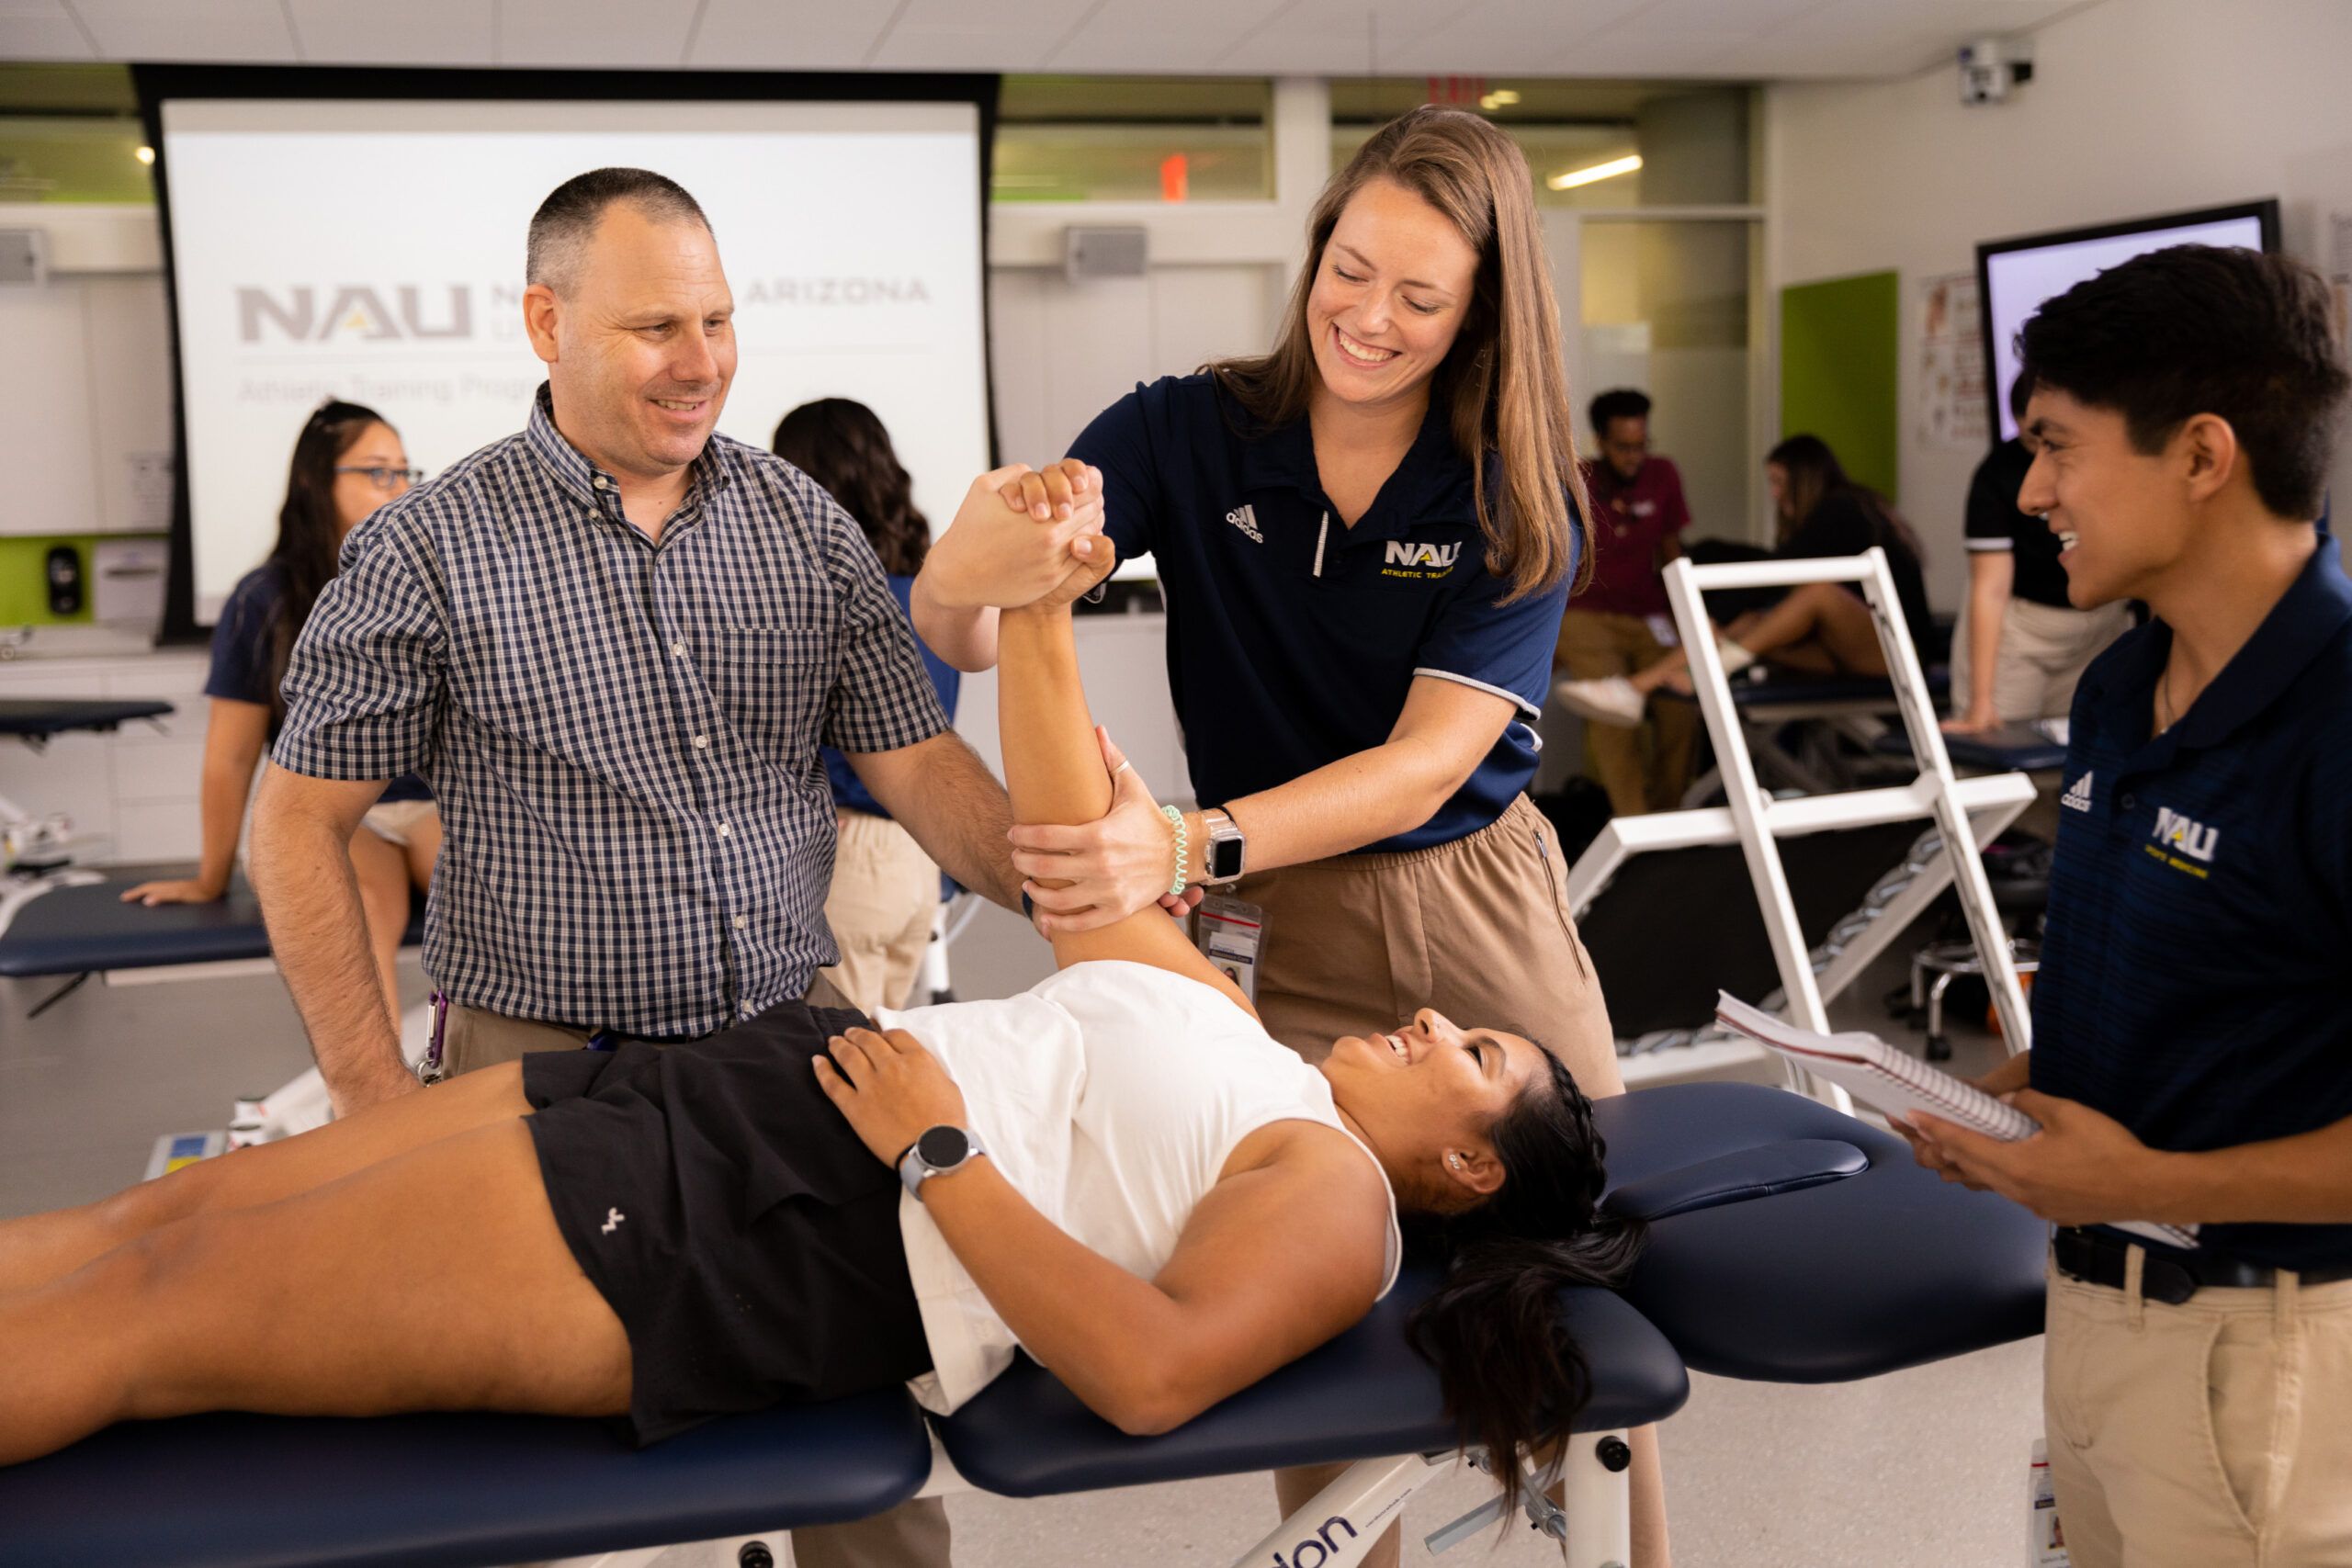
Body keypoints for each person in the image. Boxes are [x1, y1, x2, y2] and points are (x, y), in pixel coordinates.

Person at [0, 536, 1644, 1561]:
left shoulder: (1341, 1198)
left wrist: (945, 1151)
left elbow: (1146, 1372)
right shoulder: (1241, 1036)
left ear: (1468, 1164)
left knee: (165, 1317)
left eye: (1475, 1053)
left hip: (786, 1230)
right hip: (727, 1091)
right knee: (168, 1224)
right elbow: (1074, 846)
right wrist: (1047, 609)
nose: (1438, 1020)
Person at [242, 169, 1144, 1568]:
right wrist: (371, 1106)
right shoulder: (429, 547)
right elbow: (295, 824)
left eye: (719, 318)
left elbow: (918, 769)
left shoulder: (801, 524)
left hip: (788, 1054)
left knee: (866, 1477)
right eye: (657, 324)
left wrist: (1076, 884)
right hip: (535, 1060)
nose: (703, 360)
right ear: (547, 323)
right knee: (521, 1468)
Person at [910, 106, 1668, 1568]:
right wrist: (991, 549)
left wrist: (1181, 845)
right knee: (1300, 1303)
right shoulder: (1190, 427)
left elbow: (1418, 764)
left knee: (1575, 1289)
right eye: (1352, 269)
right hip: (1272, 913)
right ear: (1317, 248)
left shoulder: (1516, 497)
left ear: (1481, 313)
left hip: (1467, 895)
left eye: (1419, 296)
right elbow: (967, 624)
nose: (1369, 318)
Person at [1897, 245, 2352, 1568]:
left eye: (2057, 447)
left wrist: (2150, 1179)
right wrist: (2032, 1089)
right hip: (2097, 1313)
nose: (2032, 493)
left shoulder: (2334, 725)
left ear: (2203, 456)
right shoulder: (2118, 685)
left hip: (2261, 1354)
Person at [120, 400, 438, 1036]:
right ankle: (370, 1110)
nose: (399, 490)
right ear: (316, 482)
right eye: (378, 472)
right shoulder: (263, 600)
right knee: (365, 902)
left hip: (429, 803)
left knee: (495, 891)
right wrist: (211, 878)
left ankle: (495, 1095)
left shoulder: (424, 582)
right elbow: (231, 757)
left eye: (406, 472)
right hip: (336, 807)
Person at [774, 398, 962, 1015]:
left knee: (833, 1070)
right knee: (879, 1062)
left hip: (850, 851)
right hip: (917, 857)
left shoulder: (820, 596)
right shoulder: (928, 591)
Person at [1554, 434, 1932, 726]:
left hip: (1901, 653)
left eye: (1780, 482)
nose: (1775, 494)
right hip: (1855, 650)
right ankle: (1635, 688)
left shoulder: (1843, 508)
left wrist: (1716, 614)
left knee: (1817, 594)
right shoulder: (1837, 514)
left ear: (1805, 478)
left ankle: (1688, 677)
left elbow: (1780, 572)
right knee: (1754, 623)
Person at [1945, 377, 2130, 732]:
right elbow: (1990, 588)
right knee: (1999, 743)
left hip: (2101, 627)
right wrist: (1981, 702)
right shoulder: (1998, 474)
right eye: (2033, 442)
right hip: (2025, 632)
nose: (2036, 497)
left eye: (2054, 444)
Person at [1553, 388, 1699, 816]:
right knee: (1614, 716)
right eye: (1623, 447)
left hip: (1650, 613)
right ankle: (1635, 829)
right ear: (1601, 442)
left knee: (1682, 711)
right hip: (1587, 612)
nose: (1634, 456)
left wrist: (1691, 616)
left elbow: (1673, 551)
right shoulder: (1577, 478)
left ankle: (1666, 820)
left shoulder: (1663, 473)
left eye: (1641, 445)